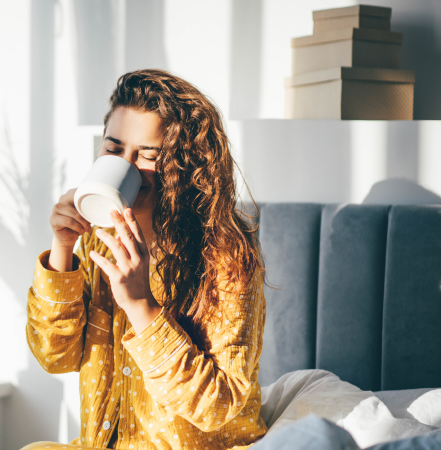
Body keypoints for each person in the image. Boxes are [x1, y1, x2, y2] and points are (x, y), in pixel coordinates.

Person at [24, 69, 267, 450]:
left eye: (148, 155)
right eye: (113, 149)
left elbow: (218, 405)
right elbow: (55, 357)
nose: (126, 165)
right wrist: (63, 248)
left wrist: (141, 307)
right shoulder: (97, 243)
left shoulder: (225, 259)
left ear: (183, 166)